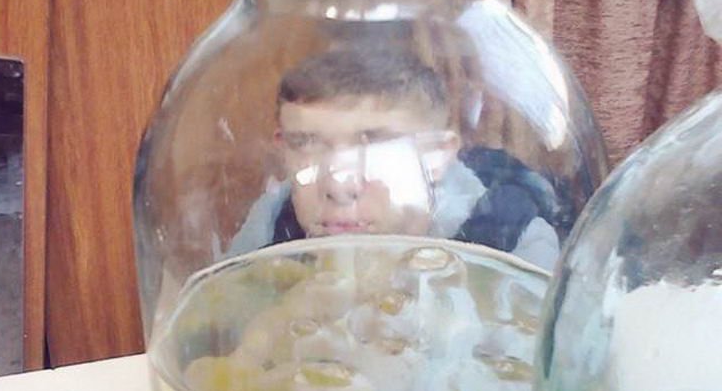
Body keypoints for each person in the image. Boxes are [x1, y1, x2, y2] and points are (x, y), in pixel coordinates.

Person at [228, 47, 564, 270]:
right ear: (283, 150)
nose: (338, 187)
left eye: (375, 147)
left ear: (435, 157)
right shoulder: (273, 221)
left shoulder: (512, 240)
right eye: (307, 143)